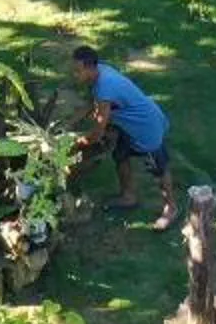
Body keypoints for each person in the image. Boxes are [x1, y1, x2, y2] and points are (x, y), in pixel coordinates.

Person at [73, 42, 175, 229]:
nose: (75, 74)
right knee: (120, 156)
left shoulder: (106, 87)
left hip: (146, 128)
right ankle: (129, 196)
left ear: (90, 67)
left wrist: (76, 143)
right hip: (129, 127)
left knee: (158, 169)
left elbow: (97, 133)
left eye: (78, 71)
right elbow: (93, 105)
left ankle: (171, 209)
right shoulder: (101, 71)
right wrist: (73, 120)